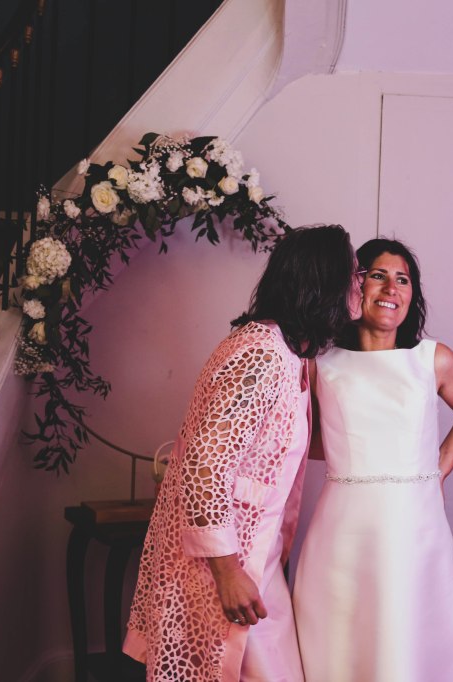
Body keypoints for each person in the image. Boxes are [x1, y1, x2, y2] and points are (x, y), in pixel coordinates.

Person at [124, 224, 363, 682]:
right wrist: (228, 572)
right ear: (324, 281)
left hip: (260, 555)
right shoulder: (260, 353)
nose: (360, 283)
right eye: (353, 273)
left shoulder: (294, 357)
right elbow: (202, 466)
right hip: (225, 563)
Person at [293, 237, 453, 682]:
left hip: (414, 527)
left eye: (402, 280)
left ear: (412, 294)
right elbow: (304, 440)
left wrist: (436, 470)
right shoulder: (320, 363)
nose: (391, 288)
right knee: (344, 643)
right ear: (354, 286)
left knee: (409, 635)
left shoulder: (432, 359)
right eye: (378, 276)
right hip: (342, 531)